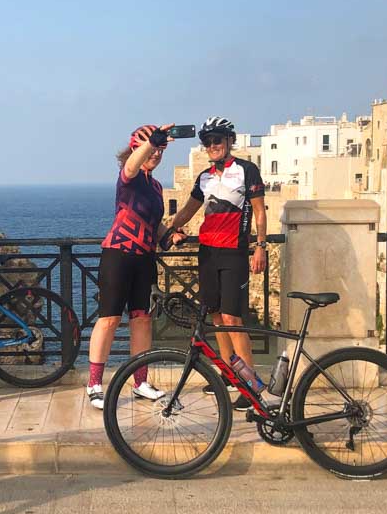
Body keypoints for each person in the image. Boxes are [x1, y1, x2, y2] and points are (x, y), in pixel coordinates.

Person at [168, 116, 267, 411]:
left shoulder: (246, 171)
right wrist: (169, 229)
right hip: (207, 253)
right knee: (215, 316)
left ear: (229, 142)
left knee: (233, 319)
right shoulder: (204, 177)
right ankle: (228, 374)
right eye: (208, 142)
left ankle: (251, 386)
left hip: (235, 253)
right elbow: (189, 210)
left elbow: (260, 212)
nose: (212, 146)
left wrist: (260, 247)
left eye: (217, 141)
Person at [86, 124, 186, 409]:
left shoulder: (154, 186)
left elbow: (152, 223)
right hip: (118, 254)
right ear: (136, 148)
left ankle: (140, 382)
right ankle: (94, 384)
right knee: (109, 319)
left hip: (144, 257)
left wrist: (169, 235)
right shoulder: (128, 177)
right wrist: (149, 144)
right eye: (151, 148)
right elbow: (131, 166)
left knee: (142, 319)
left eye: (160, 150)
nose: (155, 153)